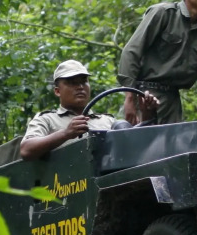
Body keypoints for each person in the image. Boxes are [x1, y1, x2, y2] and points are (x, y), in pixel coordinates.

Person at [21, 59, 157, 160]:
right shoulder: (47, 120)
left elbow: (137, 150)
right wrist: (66, 134)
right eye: (72, 82)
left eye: (84, 81)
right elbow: (26, 150)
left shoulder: (107, 121)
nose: (80, 87)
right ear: (57, 91)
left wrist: (147, 114)